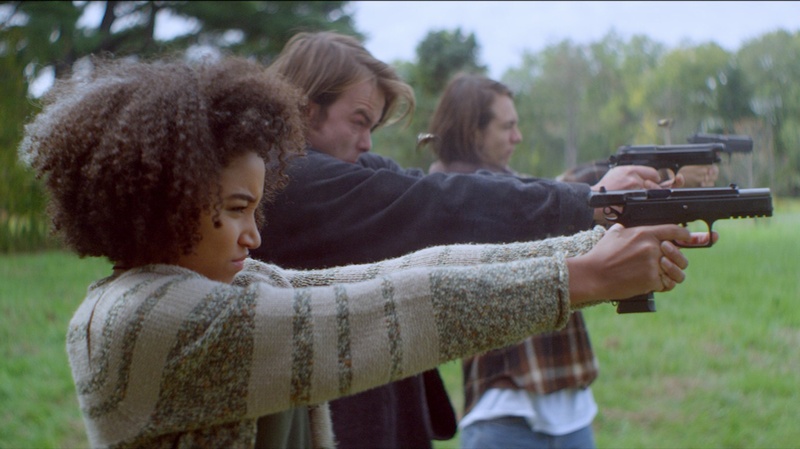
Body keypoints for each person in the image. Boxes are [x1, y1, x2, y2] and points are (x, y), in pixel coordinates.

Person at [19, 55, 702, 449]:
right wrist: (584, 276)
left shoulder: (206, 286)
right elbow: (393, 311)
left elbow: (393, 276)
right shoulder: (153, 322)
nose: (254, 235)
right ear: (165, 200)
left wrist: (591, 248)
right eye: (236, 208)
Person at [251, 31, 702, 449]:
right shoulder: (288, 181)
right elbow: (435, 203)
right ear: (307, 109)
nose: (368, 142)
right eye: (359, 121)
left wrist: (592, 201)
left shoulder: (339, 171)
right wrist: (591, 202)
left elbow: (438, 191)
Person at [421, 73, 595, 449]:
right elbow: (531, 198)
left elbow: (554, 189)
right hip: (502, 419)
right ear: (474, 133)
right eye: (507, 126)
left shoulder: (515, 190)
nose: (518, 137)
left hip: (572, 413)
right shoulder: (447, 199)